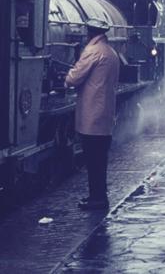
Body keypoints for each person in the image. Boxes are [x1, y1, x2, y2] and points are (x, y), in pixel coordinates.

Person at [66, 18, 121, 210]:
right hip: (104, 115)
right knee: (100, 161)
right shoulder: (111, 52)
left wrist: (66, 78)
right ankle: (99, 196)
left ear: (90, 33)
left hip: (92, 116)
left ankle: (96, 199)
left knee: (93, 161)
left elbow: (74, 78)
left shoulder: (93, 51)